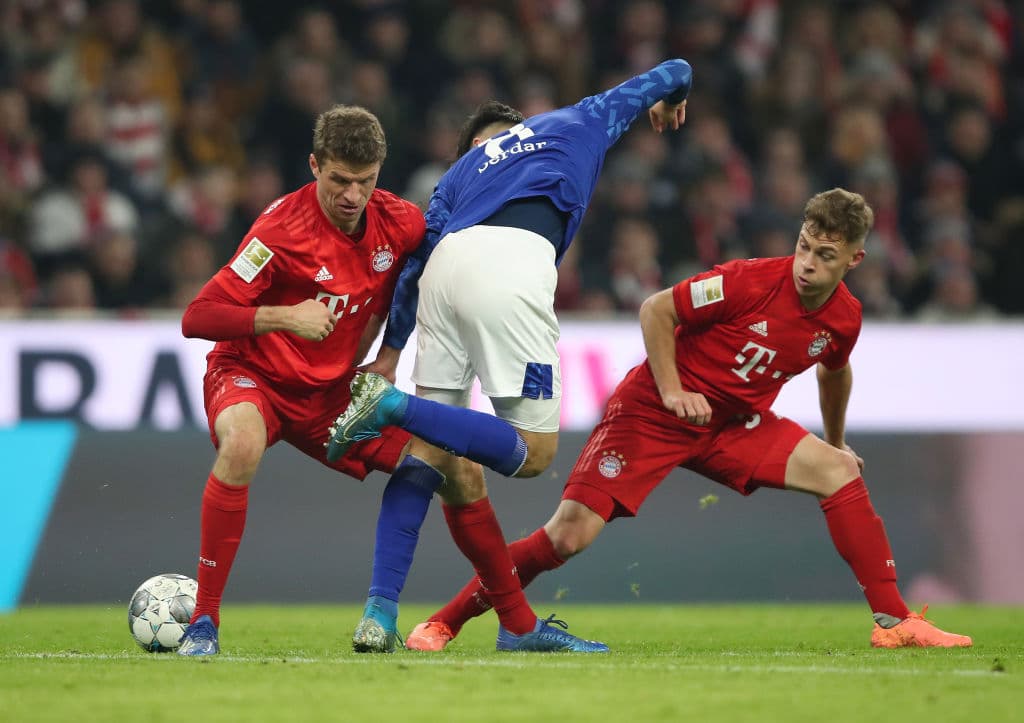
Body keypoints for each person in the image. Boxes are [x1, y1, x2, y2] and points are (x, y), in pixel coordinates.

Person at [401, 188, 973, 651]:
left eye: (826, 256)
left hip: (732, 423)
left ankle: (895, 623)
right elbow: (657, 309)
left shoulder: (845, 318)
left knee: (838, 472)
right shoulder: (750, 280)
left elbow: (834, 372)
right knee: (567, 536)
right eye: (805, 246)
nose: (808, 264)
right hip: (653, 409)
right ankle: (445, 622)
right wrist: (672, 390)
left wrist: (839, 440)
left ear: (855, 259)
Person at [326, 59, 693, 652]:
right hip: (512, 266)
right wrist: (668, 102)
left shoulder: (457, 175)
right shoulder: (582, 119)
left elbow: (416, 267)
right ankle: (389, 406)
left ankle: (382, 614)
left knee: (428, 456)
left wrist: (391, 350)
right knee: (534, 453)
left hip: (445, 274)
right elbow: (675, 67)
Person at [174, 105, 426, 656]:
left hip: (329, 397)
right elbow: (198, 316)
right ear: (314, 165)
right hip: (253, 376)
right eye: (339, 179)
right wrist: (285, 316)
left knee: (441, 465)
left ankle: (394, 616)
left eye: (365, 182)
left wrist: (391, 350)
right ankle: (204, 623)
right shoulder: (277, 230)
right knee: (240, 444)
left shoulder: (402, 222)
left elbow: (418, 275)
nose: (352, 195)